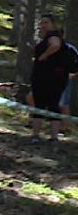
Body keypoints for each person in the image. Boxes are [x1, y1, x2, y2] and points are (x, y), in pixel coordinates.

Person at [29, 14, 70, 143]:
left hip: (50, 78)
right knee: (42, 105)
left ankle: (50, 137)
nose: (43, 26)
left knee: (50, 105)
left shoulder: (53, 36)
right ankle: (40, 136)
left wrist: (43, 56)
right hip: (45, 77)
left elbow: (55, 45)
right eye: (41, 23)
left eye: (46, 23)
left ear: (53, 24)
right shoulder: (47, 37)